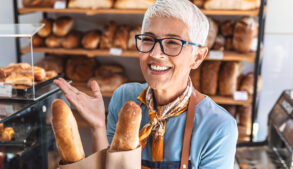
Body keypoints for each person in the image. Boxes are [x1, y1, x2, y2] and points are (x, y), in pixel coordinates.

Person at [54, 0, 238, 168]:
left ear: (197, 57)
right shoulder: (124, 98)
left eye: (173, 42)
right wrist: (97, 126)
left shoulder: (218, 127)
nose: (156, 53)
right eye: (148, 39)